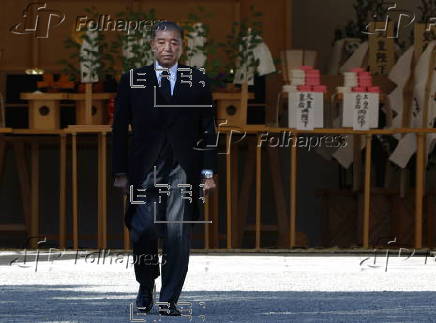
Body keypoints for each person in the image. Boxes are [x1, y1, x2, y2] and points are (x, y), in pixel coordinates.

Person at [111, 21, 217, 316]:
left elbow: (208, 128)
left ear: (182, 46)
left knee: (177, 232)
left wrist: (208, 173)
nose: (166, 48)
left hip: (183, 167)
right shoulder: (133, 79)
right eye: (161, 42)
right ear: (151, 45)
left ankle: (169, 298)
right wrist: (119, 171)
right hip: (145, 166)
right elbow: (119, 128)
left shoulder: (196, 80)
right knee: (143, 229)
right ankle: (146, 284)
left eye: (173, 42)